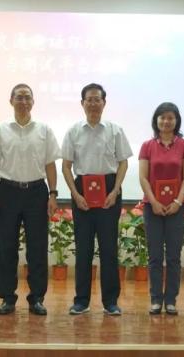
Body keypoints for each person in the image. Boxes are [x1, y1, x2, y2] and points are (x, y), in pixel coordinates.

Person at [0, 83, 61, 316]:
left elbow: (50, 165)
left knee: (37, 248)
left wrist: (53, 194)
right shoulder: (0, 130)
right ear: (11, 101)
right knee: (6, 247)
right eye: (19, 97)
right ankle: (8, 298)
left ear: (33, 102)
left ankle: (36, 298)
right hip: (8, 192)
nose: (24, 101)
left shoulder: (44, 130)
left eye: (28, 97)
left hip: (37, 192)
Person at [61, 83, 132, 316]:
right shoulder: (73, 131)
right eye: (89, 100)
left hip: (109, 191)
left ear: (104, 103)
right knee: (84, 249)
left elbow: (123, 162)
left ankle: (110, 301)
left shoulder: (115, 130)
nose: (93, 103)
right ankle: (81, 301)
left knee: (109, 248)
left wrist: (115, 190)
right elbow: (66, 166)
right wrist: (75, 194)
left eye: (97, 99)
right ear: (82, 103)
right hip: (82, 191)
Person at [138, 102, 184, 315]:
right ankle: (155, 299)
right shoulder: (147, 146)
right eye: (162, 117)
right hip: (152, 207)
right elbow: (143, 177)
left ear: (176, 120)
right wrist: (153, 201)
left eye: (170, 117)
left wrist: (178, 202)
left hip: (177, 208)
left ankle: (171, 300)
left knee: (173, 256)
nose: (166, 121)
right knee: (154, 256)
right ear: (156, 120)